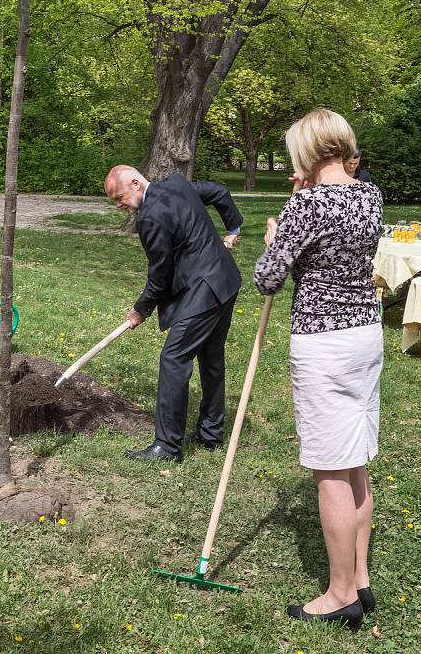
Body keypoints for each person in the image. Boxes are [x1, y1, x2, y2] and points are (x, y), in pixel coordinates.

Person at [253, 110, 383, 632]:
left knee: (331, 467)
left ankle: (339, 593)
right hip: (365, 336)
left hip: (325, 342)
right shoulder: (369, 196)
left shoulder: (305, 205)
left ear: (304, 154)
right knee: (355, 461)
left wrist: (273, 239)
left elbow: (267, 279)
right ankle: (361, 577)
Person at [104, 165, 243, 462]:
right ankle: (210, 434)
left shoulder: (150, 218)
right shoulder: (177, 185)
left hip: (205, 291)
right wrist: (233, 228)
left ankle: (167, 447)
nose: (119, 205)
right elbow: (219, 192)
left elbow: (160, 274)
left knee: (174, 358)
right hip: (225, 280)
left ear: (135, 183)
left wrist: (141, 310)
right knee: (211, 359)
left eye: (119, 197)